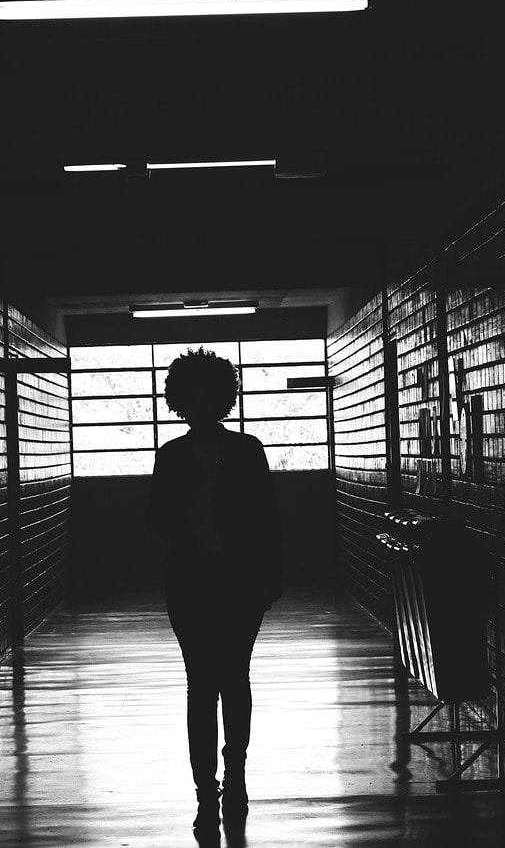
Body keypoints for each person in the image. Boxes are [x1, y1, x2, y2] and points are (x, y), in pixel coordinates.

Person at [144, 348, 283, 835]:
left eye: (208, 393)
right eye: (194, 393)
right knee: (211, 683)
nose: (201, 401)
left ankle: (228, 779)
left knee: (220, 681)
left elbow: (268, 520)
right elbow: (159, 519)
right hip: (201, 581)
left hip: (225, 581)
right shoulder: (230, 452)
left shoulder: (238, 451)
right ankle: (214, 786)